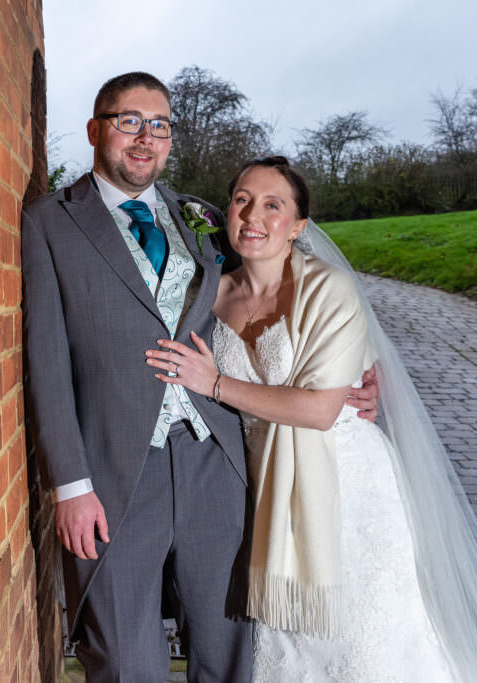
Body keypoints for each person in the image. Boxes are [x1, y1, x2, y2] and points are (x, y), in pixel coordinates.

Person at [21, 74, 377, 682]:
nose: (144, 137)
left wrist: (357, 375)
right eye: (128, 120)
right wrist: (70, 485)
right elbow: (46, 359)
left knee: (230, 647)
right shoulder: (50, 222)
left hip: (216, 459)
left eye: (159, 125)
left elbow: (275, 292)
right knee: (126, 656)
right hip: (113, 468)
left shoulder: (203, 219)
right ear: (95, 129)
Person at [146, 156, 477, 681]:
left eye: (273, 205)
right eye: (242, 200)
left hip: (350, 489)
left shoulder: (329, 291)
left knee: (369, 643)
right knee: (292, 648)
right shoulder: (207, 297)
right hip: (267, 491)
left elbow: (322, 410)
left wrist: (214, 382)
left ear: (299, 226)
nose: (253, 215)